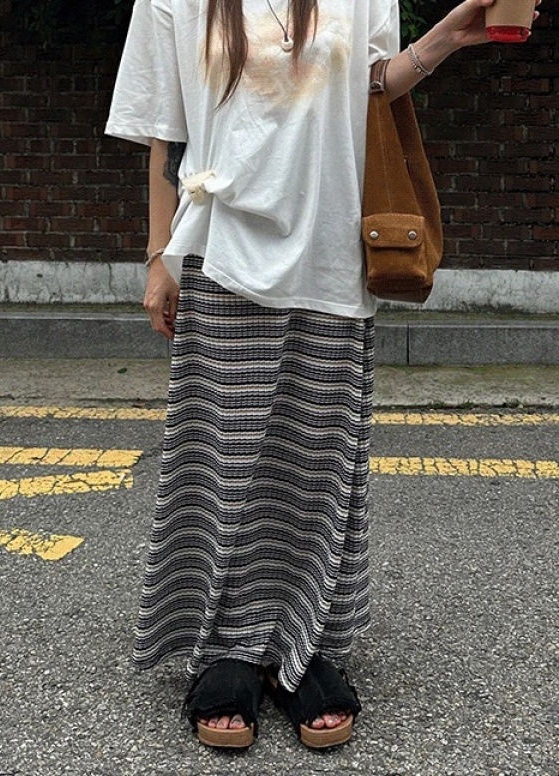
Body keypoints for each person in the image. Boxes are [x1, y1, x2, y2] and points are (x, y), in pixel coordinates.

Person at [106, 0, 540, 750]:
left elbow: (371, 88)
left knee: (316, 464)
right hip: (221, 252)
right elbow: (164, 136)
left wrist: (446, 38)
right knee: (223, 463)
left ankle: (305, 646)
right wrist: (156, 258)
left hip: (333, 253)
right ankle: (229, 650)